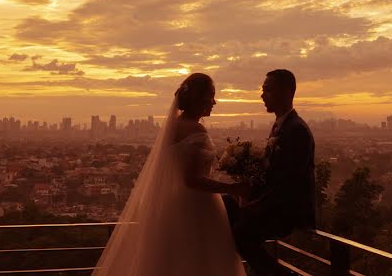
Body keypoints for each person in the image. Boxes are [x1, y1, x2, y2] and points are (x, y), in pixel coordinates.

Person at [93, 73, 248, 276]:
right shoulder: (196, 129)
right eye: (211, 96)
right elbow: (192, 179)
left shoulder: (172, 128)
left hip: (174, 205)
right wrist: (231, 188)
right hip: (200, 207)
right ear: (199, 99)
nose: (214, 102)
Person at [224, 69, 316, 276]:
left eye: (267, 90)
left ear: (286, 92)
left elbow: (290, 183)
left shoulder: (296, 130)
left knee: (241, 233)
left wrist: (255, 204)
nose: (262, 95)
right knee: (225, 205)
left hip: (289, 211)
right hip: (275, 205)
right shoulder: (282, 126)